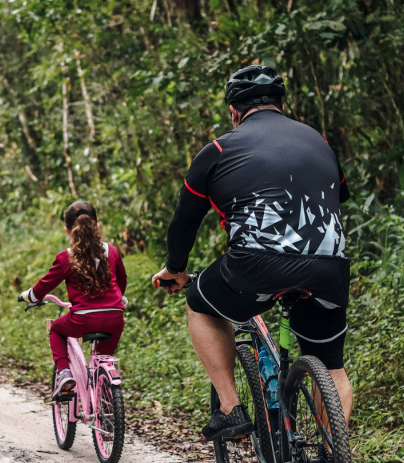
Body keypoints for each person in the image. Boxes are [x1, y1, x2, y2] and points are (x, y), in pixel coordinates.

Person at [151, 65, 353, 442]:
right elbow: (337, 195)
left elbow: (184, 221)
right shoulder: (319, 141)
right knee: (333, 369)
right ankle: (334, 461)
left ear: (234, 112)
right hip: (330, 266)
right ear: (280, 104)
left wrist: (176, 269)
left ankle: (231, 409)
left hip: (257, 266)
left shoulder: (218, 150)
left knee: (200, 304)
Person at [20, 201, 127, 399]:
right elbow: (122, 282)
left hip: (82, 319)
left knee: (56, 329)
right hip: (115, 317)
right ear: (96, 225)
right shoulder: (111, 251)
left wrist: (29, 296)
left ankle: (64, 373)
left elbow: (43, 286)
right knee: (103, 359)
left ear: (68, 230)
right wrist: (119, 299)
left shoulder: (66, 258)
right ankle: (106, 400)